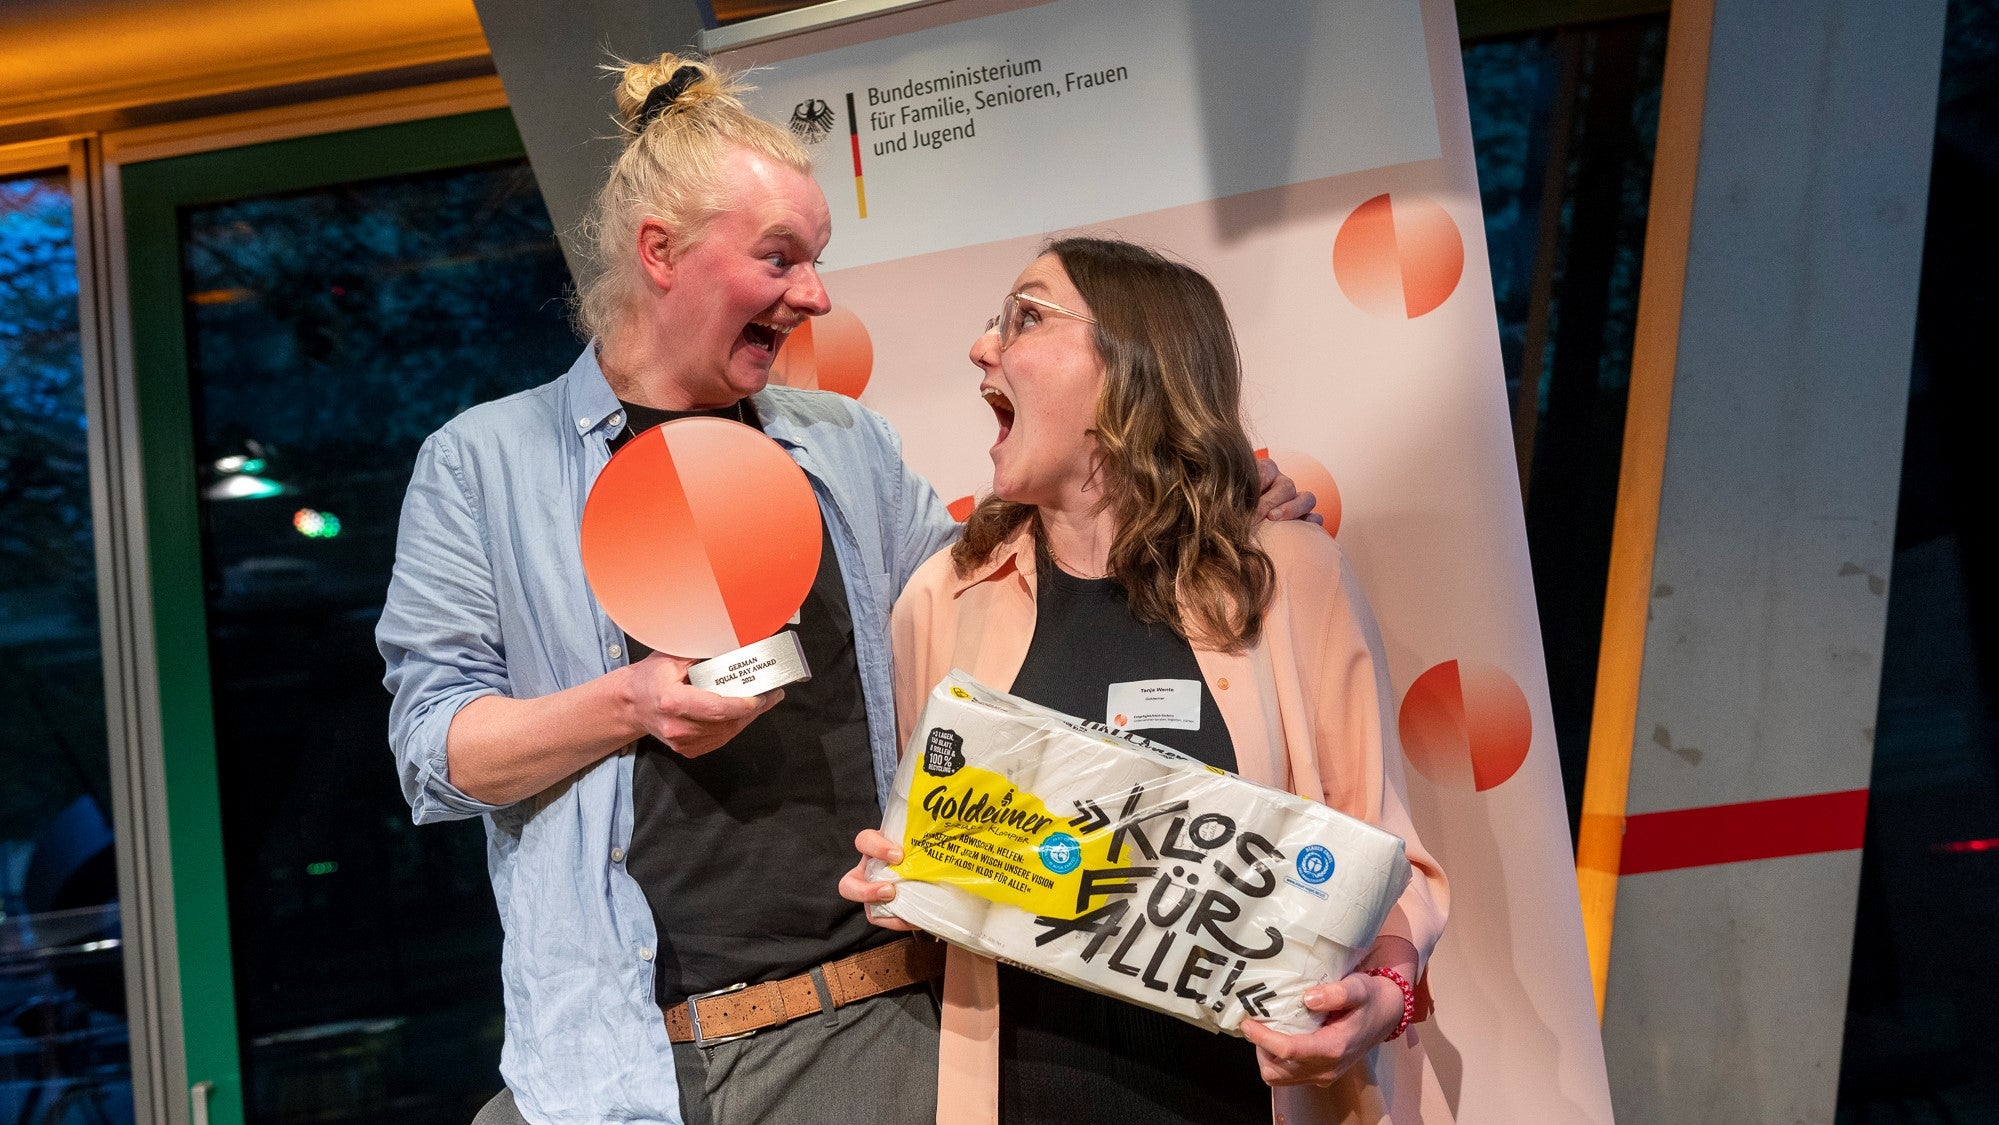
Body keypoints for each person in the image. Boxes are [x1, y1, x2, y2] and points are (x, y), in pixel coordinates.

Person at [376, 57, 1317, 1125]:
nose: (814, 295)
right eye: (779, 258)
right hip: (620, 1065)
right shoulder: (485, 464)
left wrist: (1209, 491)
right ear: (661, 254)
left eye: (816, 262)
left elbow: (1006, 583)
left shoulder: (845, 447)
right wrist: (631, 704)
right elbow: (435, 754)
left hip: (876, 1038)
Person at [840, 238, 1448, 1125]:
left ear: (1135, 366)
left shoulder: (1285, 574)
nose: (982, 348)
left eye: (1026, 316)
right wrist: (904, 886)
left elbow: (1389, 858)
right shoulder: (942, 598)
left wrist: (1383, 993)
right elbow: (947, 878)